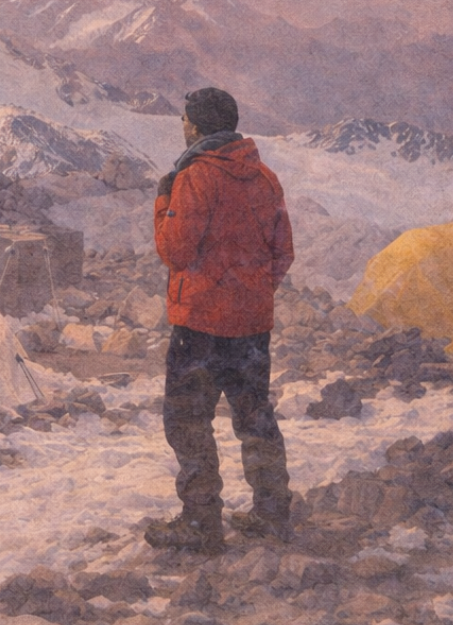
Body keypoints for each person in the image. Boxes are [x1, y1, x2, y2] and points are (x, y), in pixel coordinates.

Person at [144, 86, 294, 555]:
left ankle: (200, 522)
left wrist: (161, 203)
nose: (183, 125)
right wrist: (249, 293)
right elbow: (282, 254)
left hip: (201, 325)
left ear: (197, 125)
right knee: (255, 416)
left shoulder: (194, 178)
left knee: (188, 421)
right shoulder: (265, 177)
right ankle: (273, 513)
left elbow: (175, 250)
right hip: (251, 324)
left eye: (186, 118)